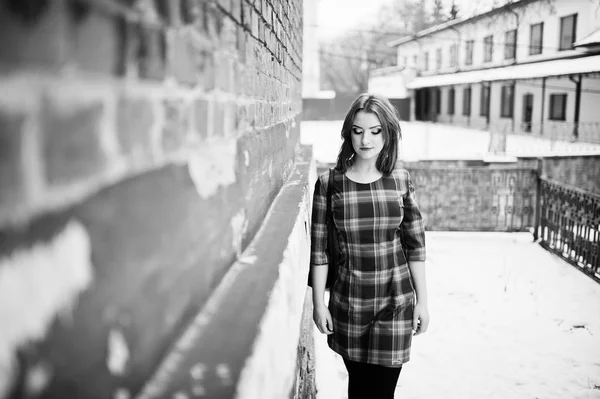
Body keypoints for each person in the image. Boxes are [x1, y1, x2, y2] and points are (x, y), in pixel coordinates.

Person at [310, 93, 429, 399]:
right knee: (361, 391)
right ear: (348, 133)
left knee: (382, 392)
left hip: (396, 302)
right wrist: (318, 303)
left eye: (376, 131)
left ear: (388, 134)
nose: (366, 140)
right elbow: (320, 249)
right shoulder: (329, 184)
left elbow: (415, 245)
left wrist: (423, 301)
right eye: (358, 130)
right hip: (350, 303)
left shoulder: (400, 180)